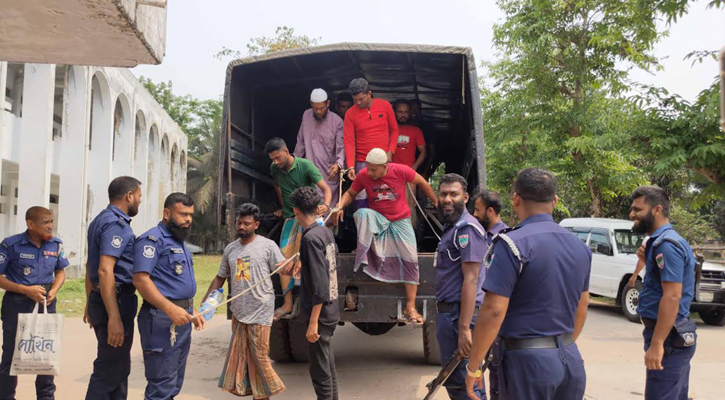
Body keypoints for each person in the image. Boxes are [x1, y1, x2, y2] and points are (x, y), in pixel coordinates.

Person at [465, 168, 591, 400]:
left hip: (527, 363)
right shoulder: (580, 247)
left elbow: (493, 310)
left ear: (515, 199)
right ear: (554, 201)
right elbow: (582, 306)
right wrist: (559, 347)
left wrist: (474, 366)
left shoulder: (511, 244)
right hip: (570, 359)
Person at [331, 148, 438, 324]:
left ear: (384, 166)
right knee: (362, 213)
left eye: (374, 169)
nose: (370, 172)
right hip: (378, 219)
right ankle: (365, 253)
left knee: (411, 258)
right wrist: (339, 206)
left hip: (400, 220)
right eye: (368, 168)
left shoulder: (401, 170)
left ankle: (410, 306)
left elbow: (421, 182)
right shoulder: (364, 174)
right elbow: (351, 193)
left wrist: (435, 201)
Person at [202, 203, 286, 398]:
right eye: (239, 223)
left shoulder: (267, 245)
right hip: (239, 313)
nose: (241, 227)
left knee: (260, 357)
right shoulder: (230, 249)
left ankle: (271, 389)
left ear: (256, 224)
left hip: (261, 310)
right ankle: (258, 395)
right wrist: (205, 303)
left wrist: (292, 269)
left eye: (246, 223)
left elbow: (283, 270)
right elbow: (219, 278)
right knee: (245, 359)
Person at [132, 193, 205, 400]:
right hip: (161, 319)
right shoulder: (152, 240)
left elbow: (174, 283)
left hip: (182, 317)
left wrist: (192, 309)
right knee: (161, 386)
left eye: (190, 215)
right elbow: (140, 279)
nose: (188, 219)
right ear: (166, 213)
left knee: (173, 384)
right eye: (183, 214)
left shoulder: (178, 240)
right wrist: (170, 308)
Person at [629, 186, 697, 400]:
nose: (632, 215)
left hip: (668, 338)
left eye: (637, 210)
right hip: (669, 335)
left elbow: (672, 296)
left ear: (657, 209)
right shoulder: (660, 243)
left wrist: (657, 343)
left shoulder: (666, 245)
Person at [0, 207, 68, 400]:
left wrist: (54, 289)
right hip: (17, 304)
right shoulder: (10, 245)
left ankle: (46, 397)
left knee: (46, 352)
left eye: (51, 221)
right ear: (30, 224)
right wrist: (25, 290)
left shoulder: (56, 244)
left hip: (46, 304)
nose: (50, 226)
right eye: (45, 222)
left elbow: (61, 271)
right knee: (11, 354)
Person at [84, 177, 143, 400]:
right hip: (114, 301)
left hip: (104, 299)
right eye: (138, 197)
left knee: (118, 369)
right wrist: (114, 318)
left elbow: (92, 264)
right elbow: (105, 270)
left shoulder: (100, 220)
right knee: (109, 371)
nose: (139, 201)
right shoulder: (115, 225)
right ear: (129, 196)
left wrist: (90, 301)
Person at [434, 174, 488, 400]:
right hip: (451, 314)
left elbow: (471, 279)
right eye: (443, 194)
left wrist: (464, 328)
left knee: (460, 383)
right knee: (467, 381)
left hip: (459, 317)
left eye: (453, 194)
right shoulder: (453, 228)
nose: (447, 199)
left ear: (465, 198)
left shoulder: (466, 230)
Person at [267, 137, 332, 320]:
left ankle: (318, 300)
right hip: (291, 217)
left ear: (287, 151)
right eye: (272, 159)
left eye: (278, 157)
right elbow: (278, 186)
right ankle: (287, 303)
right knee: (283, 257)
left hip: (311, 216)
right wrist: (284, 207)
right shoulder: (275, 169)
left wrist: (326, 206)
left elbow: (326, 190)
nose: (276, 162)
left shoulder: (306, 166)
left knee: (312, 256)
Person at [289, 186, 340, 400]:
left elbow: (320, 284)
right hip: (332, 308)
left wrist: (313, 321)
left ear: (296, 211)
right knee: (326, 364)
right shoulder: (324, 231)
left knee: (320, 372)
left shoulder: (310, 238)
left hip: (321, 313)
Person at [471, 189, 508, 400]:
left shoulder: (506, 239)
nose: (474, 214)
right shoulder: (477, 235)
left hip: (494, 313)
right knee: (474, 367)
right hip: (475, 311)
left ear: (490, 211)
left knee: (496, 365)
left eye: (477, 210)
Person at [343, 78, 399, 209]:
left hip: (384, 161)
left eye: (361, 99)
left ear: (369, 94)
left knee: (385, 199)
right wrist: (351, 166)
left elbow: (395, 130)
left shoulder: (385, 106)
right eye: (355, 99)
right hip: (362, 163)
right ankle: (365, 229)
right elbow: (349, 141)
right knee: (361, 200)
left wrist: (390, 152)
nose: (358, 102)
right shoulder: (350, 113)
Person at [293, 88, 345, 211]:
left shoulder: (337, 121)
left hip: (328, 173)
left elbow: (341, 147)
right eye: (315, 108)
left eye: (321, 108)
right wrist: (295, 164)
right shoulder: (306, 115)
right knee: (309, 209)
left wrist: (338, 164)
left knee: (327, 212)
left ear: (328, 103)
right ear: (311, 104)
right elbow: (300, 142)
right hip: (309, 172)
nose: (318, 111)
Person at [392, 99, 427, 230]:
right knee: (390, 205)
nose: (403, 115)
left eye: (406, 112)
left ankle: (410, 239)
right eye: (400, 112)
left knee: (410, 206)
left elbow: (424, 152)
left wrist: (414, 168)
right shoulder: (390, 129)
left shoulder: (416, 130)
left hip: (409, 176)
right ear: (394, 112)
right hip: (392, 174)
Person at [409, 99, 437, 179]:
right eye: (411, 108)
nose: (414, 112)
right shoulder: (399, 127)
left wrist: (426, 170)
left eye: (417, 109)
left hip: (421, 168)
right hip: (403, 167)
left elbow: (431, 151)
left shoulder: (427, 126)